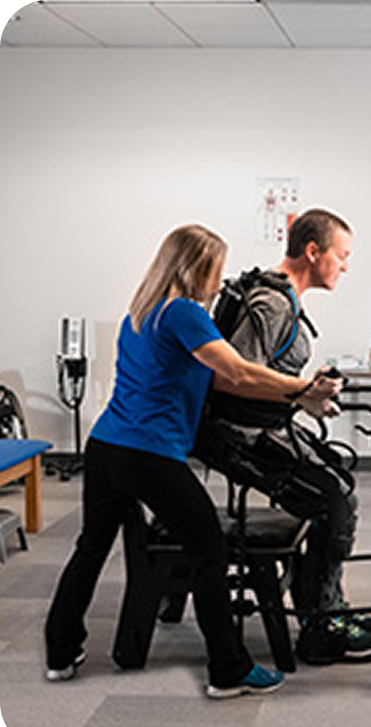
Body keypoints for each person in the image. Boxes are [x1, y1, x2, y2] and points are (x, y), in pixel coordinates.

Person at [44, 224, 338, 698]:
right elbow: (237, 372)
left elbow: (214, 375)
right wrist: (304, 389)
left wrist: (290, 392)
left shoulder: (140, 313)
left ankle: (60, 653)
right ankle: (228, 669)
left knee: (91, 548)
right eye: (216, 270)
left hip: (105, 447)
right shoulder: (185, 313)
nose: (220, 283)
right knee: (210, 551)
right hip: (149, 454)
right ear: (197, 268)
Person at [196, 207, 371, 666]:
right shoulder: (273, 303)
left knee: (335, 480)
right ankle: (321, 628)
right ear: (313, 251)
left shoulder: (282, 297)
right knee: (333, 499)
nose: (345, 266)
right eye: (342, 255)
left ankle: (325, 608)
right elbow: (229, 378)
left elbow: (264, 374)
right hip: (237, 434)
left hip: (261, 425)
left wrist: (306, 394)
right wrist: (301, 391)